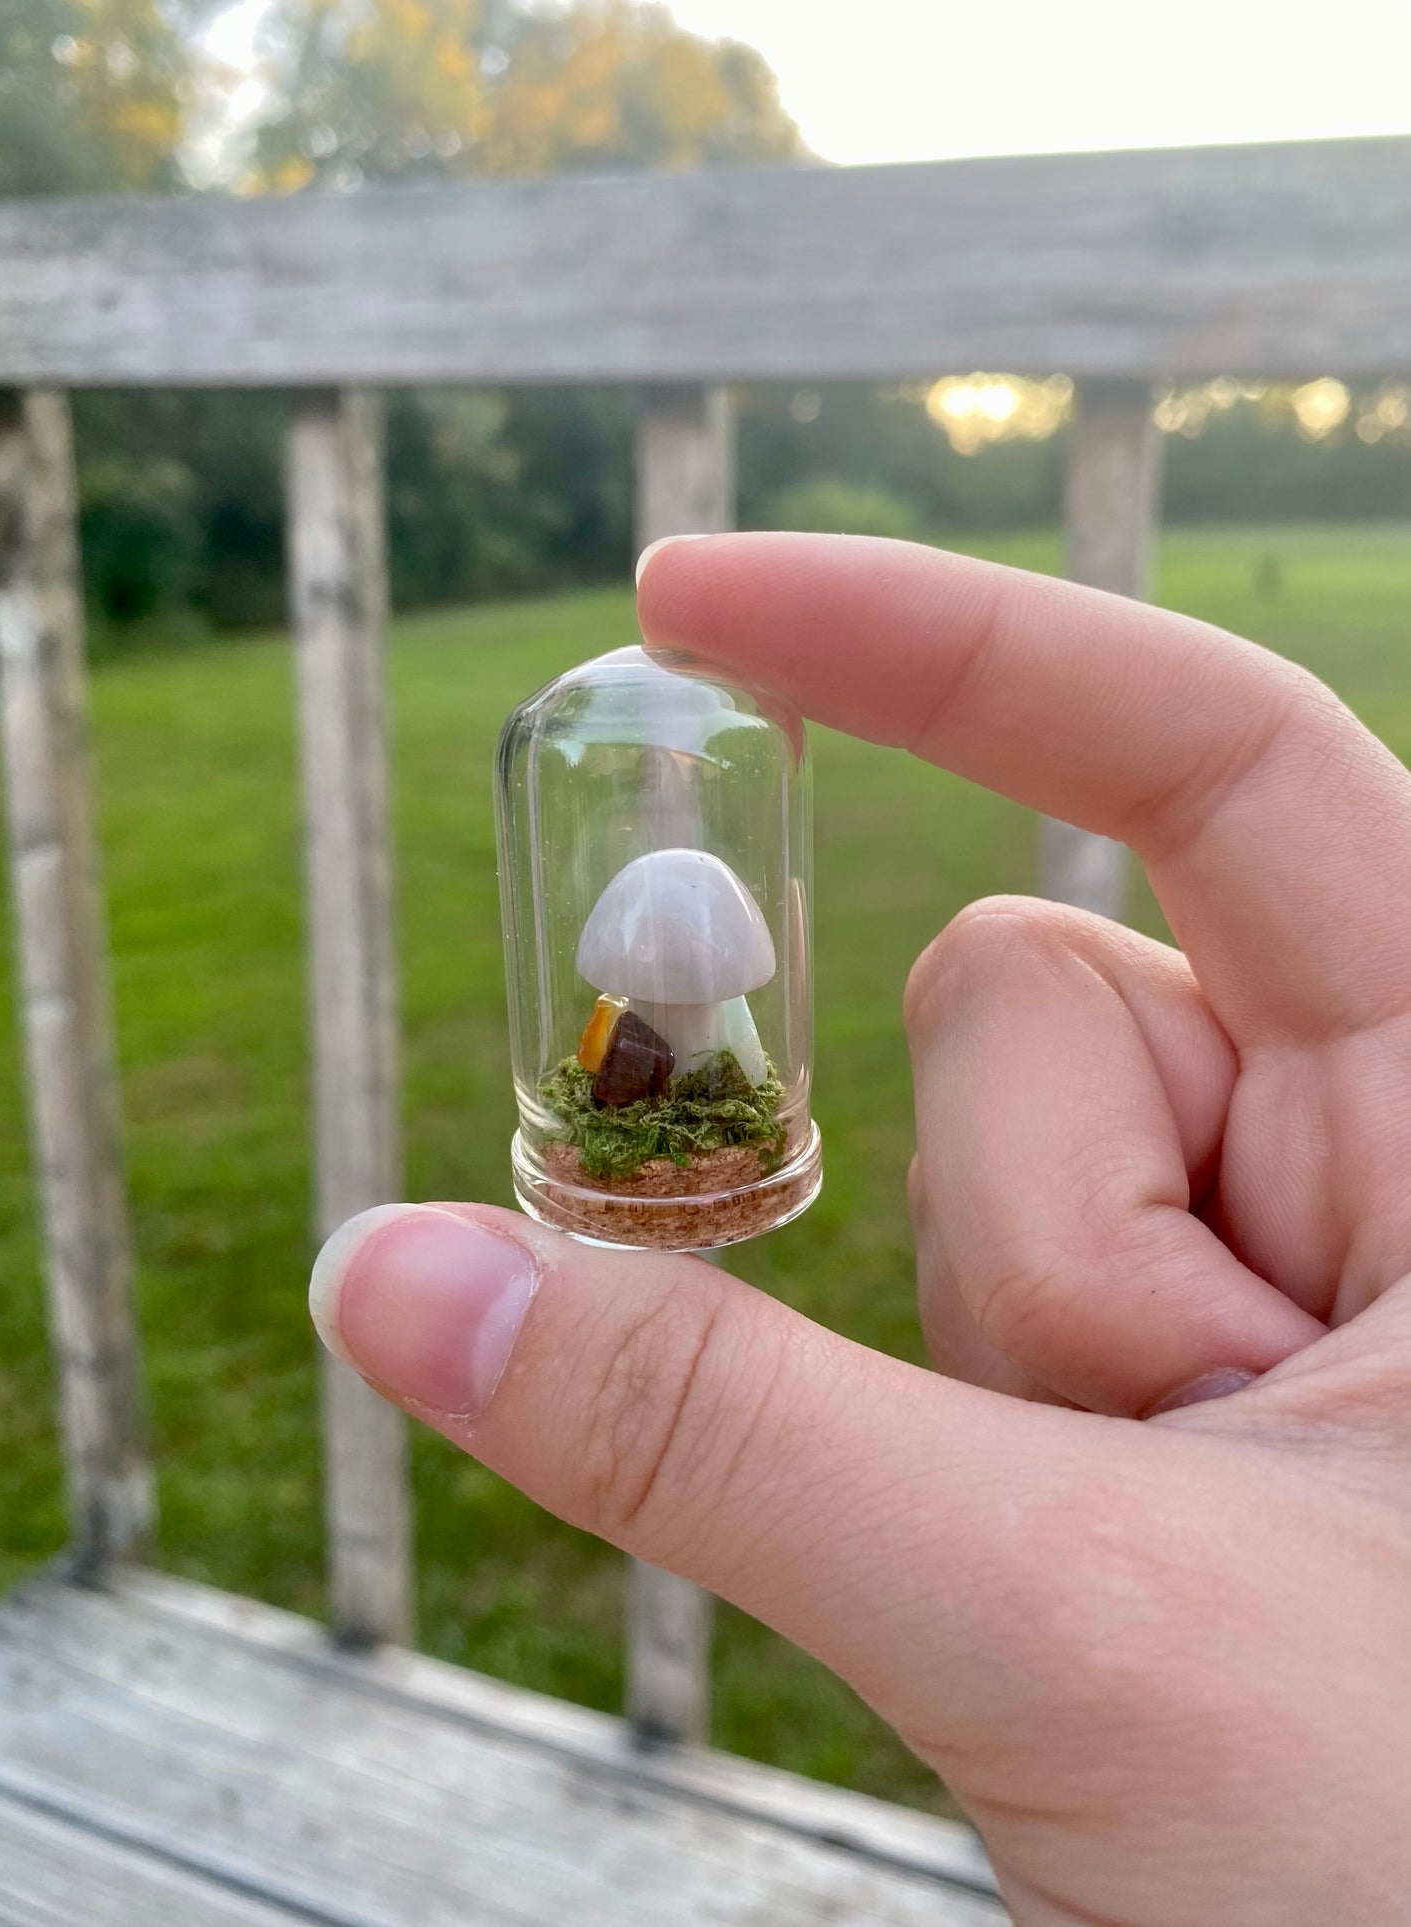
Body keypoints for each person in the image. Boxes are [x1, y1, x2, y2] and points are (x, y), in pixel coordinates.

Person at [309, 533, 1411, 1926]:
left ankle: (689, 1124)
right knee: (658, 1060)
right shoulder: (625, 924)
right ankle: (664, 1123)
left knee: (694, 1059)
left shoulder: (705, 923)